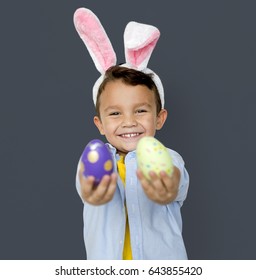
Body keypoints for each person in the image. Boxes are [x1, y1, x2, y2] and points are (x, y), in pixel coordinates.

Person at [74, 7, 189, 260]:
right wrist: (92, 188)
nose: (129, 122)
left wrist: (166, 184)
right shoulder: (95, 159)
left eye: (140, 111)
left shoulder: (169, 157)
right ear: (100, 124)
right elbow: (85, 186)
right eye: (115, 114)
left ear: (159, 118)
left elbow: (175, 182)